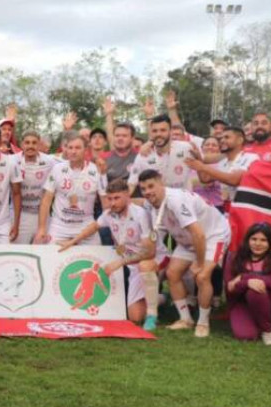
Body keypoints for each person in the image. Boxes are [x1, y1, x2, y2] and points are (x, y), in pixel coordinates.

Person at [59, 179, 165, 330]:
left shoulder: (141, 214)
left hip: (153, 258)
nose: (112, 203)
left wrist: (120, 262)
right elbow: (94, 226)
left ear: (127, 196)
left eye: (117, 198)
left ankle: (152, 315)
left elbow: (149, 252)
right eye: (109, 199)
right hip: (131, 261)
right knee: (135, 317)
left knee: (144, 266)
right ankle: (160, 298)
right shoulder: (109, 214)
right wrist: (72, 241)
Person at [139, 169, 230, 337]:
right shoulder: (153, 206)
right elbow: (156, 240)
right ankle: (185, 319)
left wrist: (200, 263)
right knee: (172, 273)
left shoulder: (175, 201)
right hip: (188, 240)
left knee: (202, 276)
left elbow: (199, 234)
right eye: (143, 189)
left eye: (151, 186)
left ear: (161, 183)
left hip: (212, 235)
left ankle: (203, 322)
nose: (147, 192)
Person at [35, 134, 106, 245]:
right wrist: (42, 228)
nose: (73, 151)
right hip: (59, 226)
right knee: (51, 258)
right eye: (70, 148)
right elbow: (46, 200)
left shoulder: (96, 170)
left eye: (77, 148)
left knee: (95, 259)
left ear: (85, 150)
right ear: (66, 149)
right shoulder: (57, 168)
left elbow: (105, 202)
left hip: (86, 225)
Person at [185, 126, 259, 213]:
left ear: (240, 140)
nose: (222, 141)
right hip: (228, 208)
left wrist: (202, 166)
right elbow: (205, 179)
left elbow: (234, 180)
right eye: (222, 138)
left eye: (227, 137)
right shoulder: (223, 162)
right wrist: (198, 158)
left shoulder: (251, 158)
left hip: (247, 208)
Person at [225, 223, 271, 344]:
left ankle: (267, 330)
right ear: (247, 240)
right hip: (241, 303)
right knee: (246, 335)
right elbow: (230, 289)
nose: (258, 244)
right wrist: (247, 283)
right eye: (254, 239)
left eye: (264, 240)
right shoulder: (234, 258)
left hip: (266, 300)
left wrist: (244, 277)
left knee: (255, 291)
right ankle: (257, 323)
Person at [128, 114, 197, 195]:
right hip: (158, 205)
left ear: (170, 131)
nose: (158, 134)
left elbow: (207, 159)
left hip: (184, 202)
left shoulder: (186, 148)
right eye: (155, 131)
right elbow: (131, 184)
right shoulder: (143, 155)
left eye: (163, 130)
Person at [13, 130, 57, 244]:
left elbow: (67, 162)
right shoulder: (12, 160)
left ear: (39, 145)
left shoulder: (49, 161)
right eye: (27, 143)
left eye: (34, 143)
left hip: (42, 216)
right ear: (22, 144)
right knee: (19, 252)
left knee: (43, 253)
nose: (30, 146)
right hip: (21, 215)